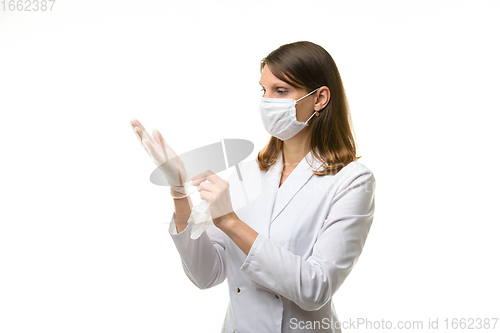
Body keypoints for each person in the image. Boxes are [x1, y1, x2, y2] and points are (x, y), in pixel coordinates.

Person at [130, 41, 376, 333]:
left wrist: (230, 221)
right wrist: (178, 189)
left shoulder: (352, 181)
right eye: (264, 90)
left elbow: (315, 288)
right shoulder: (248, 174)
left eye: (281, 91)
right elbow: (206, 274)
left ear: (320, 98)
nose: (268, 101)